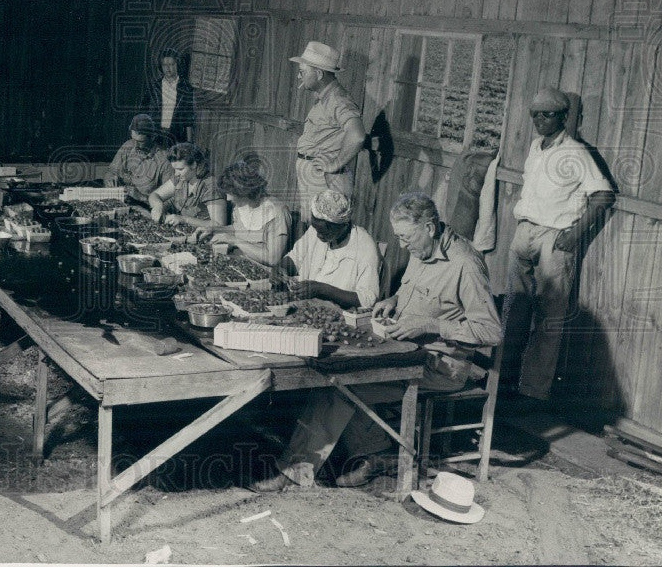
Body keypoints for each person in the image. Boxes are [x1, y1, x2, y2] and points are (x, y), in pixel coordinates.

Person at [251, 192, 501, 491]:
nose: (402, 245)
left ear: (430, 228)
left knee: (341, 386)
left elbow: (491, 331)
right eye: (398, 237)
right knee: (337, 374)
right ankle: (380, 456)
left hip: (440, 365)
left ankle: (294, 474)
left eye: (406, 238)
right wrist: (394, 301)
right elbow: (418, 294)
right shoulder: (422, 247)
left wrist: (432, 324)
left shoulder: (465, 265)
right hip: (405, 349)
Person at [505, 87, 614, 405]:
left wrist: (576, 233)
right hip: (525, 232)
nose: (540, 120)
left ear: (565, 117)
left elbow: (603, 195)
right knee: (514, 308)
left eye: (548, 114)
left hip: (555, 237)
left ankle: (533, 391)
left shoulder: (576, 152)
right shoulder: (535, 146)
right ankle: (505, 378)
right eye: (535, 114)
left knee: (549, 317)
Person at [290, 41, 367, 221]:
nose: (299, 77)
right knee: (314, 228)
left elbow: (357, 136)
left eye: (302, 72)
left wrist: (334, 164)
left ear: (318, 74)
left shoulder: (338, 100)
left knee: (326, 230)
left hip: (325, 179)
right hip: (314, 175)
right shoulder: (324, 98)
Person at [278, 190, 380, 311]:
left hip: (339, 314)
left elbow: (367, 299)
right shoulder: (315, 230)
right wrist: (280, 269)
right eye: (316, 229)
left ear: (344, 225)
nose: (318, 236)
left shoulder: (364, 245)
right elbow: (294, 258)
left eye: (324, 233)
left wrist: (322, 289)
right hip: (306, 308)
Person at [195, 158, 290, 267]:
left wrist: (234, 241)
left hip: (262, 272)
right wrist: (214, 229)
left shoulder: (276, 212)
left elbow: (272, 258)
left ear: (244, 190)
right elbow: (239, 229)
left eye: (232, 193)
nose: (228, 198)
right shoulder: (242, 205)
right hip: (238, 262)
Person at [148, 142, 226, 229]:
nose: (176, 173)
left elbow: (219, 224)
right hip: (183, 231)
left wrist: (184, 220)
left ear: (194, 165)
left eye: (180, 169)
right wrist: (158, 206)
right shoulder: (180, 178)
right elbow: (155, 195)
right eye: (174, 169)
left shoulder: (210, 186)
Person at [104, 114, 173, 205]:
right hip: (121, 203)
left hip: (146, 208)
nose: (135, 145)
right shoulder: (128, 146)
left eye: (140, 142)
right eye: (133, 139)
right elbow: (111, 172)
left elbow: (170, 201)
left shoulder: (164, 161)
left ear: (152, 137)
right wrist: (109, 179)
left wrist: (141, 197)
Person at [142, 48, 196, 145]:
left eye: (171, 64)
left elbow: (189, 118)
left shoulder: (186, 89)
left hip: (176, 136)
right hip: (155, 135)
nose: (168, 68)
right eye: (164, 65)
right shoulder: (154, 87)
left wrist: (189, 143)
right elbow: (144, 111)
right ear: (161, 66)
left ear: (177, 65)